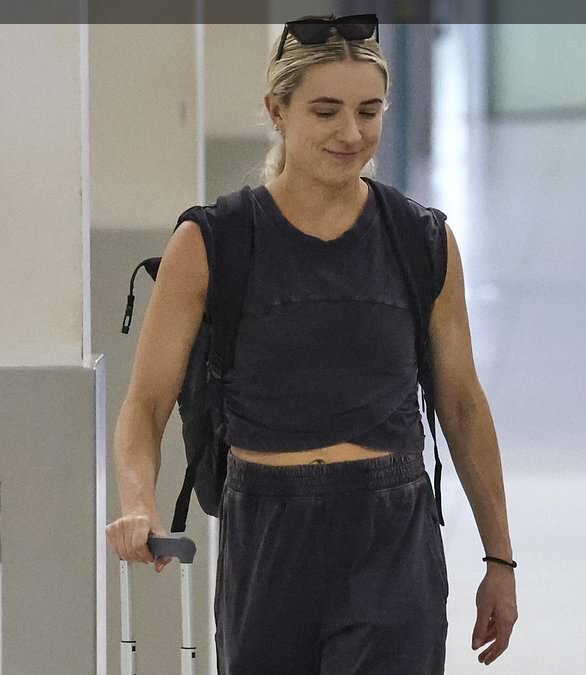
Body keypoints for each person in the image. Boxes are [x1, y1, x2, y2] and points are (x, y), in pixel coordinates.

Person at [104, 15, 516, 673]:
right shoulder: (213, 242)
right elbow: (145, 404)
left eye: (368, 111)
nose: (351, 133)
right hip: (267, 534)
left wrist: (500, 558)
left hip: (390, 534)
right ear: (277, 111)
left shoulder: (420, 239)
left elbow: (463, 405)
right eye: (326, 111)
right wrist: (138, 503)